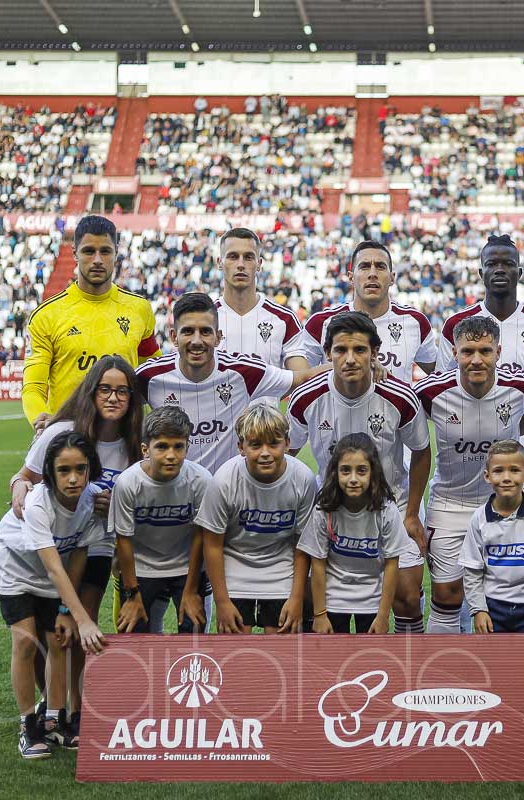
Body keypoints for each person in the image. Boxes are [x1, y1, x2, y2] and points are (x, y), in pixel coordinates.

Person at [7, 356, 143, 728]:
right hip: (54, 542)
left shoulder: (136, 442)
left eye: (122, 391)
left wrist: (117, 502)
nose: (113, 398)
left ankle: (77, 711)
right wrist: (18, 488)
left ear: (132, 397)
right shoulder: (61, 432)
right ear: (92, 391)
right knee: (50, 632)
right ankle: (52, 708)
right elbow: (24, 477)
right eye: (105, 389)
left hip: (100, 544)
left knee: (84, 621)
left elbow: (142, 497)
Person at [288, 311, 431, 634]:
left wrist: (410, 514)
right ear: (328, 354)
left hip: (391, 503)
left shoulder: (400, 396)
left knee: (407, 595)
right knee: (315, 598)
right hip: (333, 509)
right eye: (340, 350)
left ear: (374, 353)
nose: (350, 359)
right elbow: (288, 455)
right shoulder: (306, 397)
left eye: (360, 350)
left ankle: (409, 669)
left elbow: (422, 452)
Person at [412, 316, 524, 634]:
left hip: (501, 508)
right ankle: (441, 674)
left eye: (485, 351)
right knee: (447, 598)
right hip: (449, 505)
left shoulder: (521, 387)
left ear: (498, 352)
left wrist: (517, 426)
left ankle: (499, 674)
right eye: (467, 351)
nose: (476, 359)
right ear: (454, 353)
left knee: (504, 599)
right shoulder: (430, 391)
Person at [0, 432, 107, 759]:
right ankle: (28, 725)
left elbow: (79, 555)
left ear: (90, 469)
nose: (73, 478)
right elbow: (54, 567)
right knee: (26, 641)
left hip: (51, 573)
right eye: (63, 470)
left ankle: (54, 721)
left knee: (58, 640)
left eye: (80, 469)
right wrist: (83, 618)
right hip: (15, 569)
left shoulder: (92, 500)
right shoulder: (38, 502)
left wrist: (66, 612)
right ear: (50, 472)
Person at [438, 234, 524, 508]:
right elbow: (443, 382)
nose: (500, 269)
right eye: (492, 264)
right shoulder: (457, 325)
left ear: (519, 272)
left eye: (508, 264)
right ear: (480, 272)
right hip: (472, 445)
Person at [135, 292, 329, 473]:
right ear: (173, 337)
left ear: (218, 337)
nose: (196, 340)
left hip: (228, 495)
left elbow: (303, 377)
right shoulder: (150, 376)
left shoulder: (242, 372)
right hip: (174, 496)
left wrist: (350, 367)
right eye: (187, 331)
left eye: (205, 332)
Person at [22, 215, 159, 430]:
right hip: (70, 440)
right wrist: (41, 418)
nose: (97, 260)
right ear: (75, 253)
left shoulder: (139, 309)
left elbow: (154, 375)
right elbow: (33, 387)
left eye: (105, 251)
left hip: (125, 441)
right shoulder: (47, 315)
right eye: (88, 251)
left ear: (116, 253)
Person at [194, 405, 317, 634]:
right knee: (236, 649)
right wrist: (222, 602)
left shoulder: (303, 479)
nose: (265, 453)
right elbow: (212, 544)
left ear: (287, 444)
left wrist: (296, 597)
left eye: (273, 443)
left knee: (280, 648)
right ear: (241, 447)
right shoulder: (224, 480)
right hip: (235, 567)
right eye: (255, 445)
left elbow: (302, 545)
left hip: (282, 569)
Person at [110, 406, 213, 634]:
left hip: (187, 566)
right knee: (133, 632)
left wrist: (190, 591)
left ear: (188, 446)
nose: (171, 455)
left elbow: (200, 537)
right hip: (141, 568)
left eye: (179, 447)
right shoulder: (128, 483)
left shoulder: (201, 480)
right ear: (146, 449)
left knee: (194, 629)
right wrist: (132, 594)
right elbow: (124, 541)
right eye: (162, 447)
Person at [297, 433, 414, 634]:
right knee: (332, 663)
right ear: (335, 472)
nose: (353, 479)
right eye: (345, 471)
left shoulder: (386, 510)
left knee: (370, 661)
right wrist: (320, 614)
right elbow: (317, 563)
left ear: (373, 472)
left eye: (361, 471)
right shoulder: (324, 510)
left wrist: (383, 616)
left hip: (372, 603)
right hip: (332, 602)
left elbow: (392, 564)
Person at [460, 440, 524, 634]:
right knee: (493, 663)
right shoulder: (479, 519)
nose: (506, 478)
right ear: (487, 476)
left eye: (514, 470)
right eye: (498, 471)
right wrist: (479, 609)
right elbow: (472, 571)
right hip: (492, 609)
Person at [304, 239, 437, 383]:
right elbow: (299, 378)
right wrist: (355, 366)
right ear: (351, 277)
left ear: (392, 278)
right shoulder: (320, 323)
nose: (372, 273)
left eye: (380, 266)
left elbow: (441, 376)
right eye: (364, 266)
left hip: (395, 406)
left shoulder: (415, 322)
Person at [213, 227, 311, 371]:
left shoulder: (284, 320)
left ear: (259, 264)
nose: (240, 265)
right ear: (220, 262)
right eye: (233, 256)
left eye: (248, 257)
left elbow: (302, 378)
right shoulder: (205, 319)